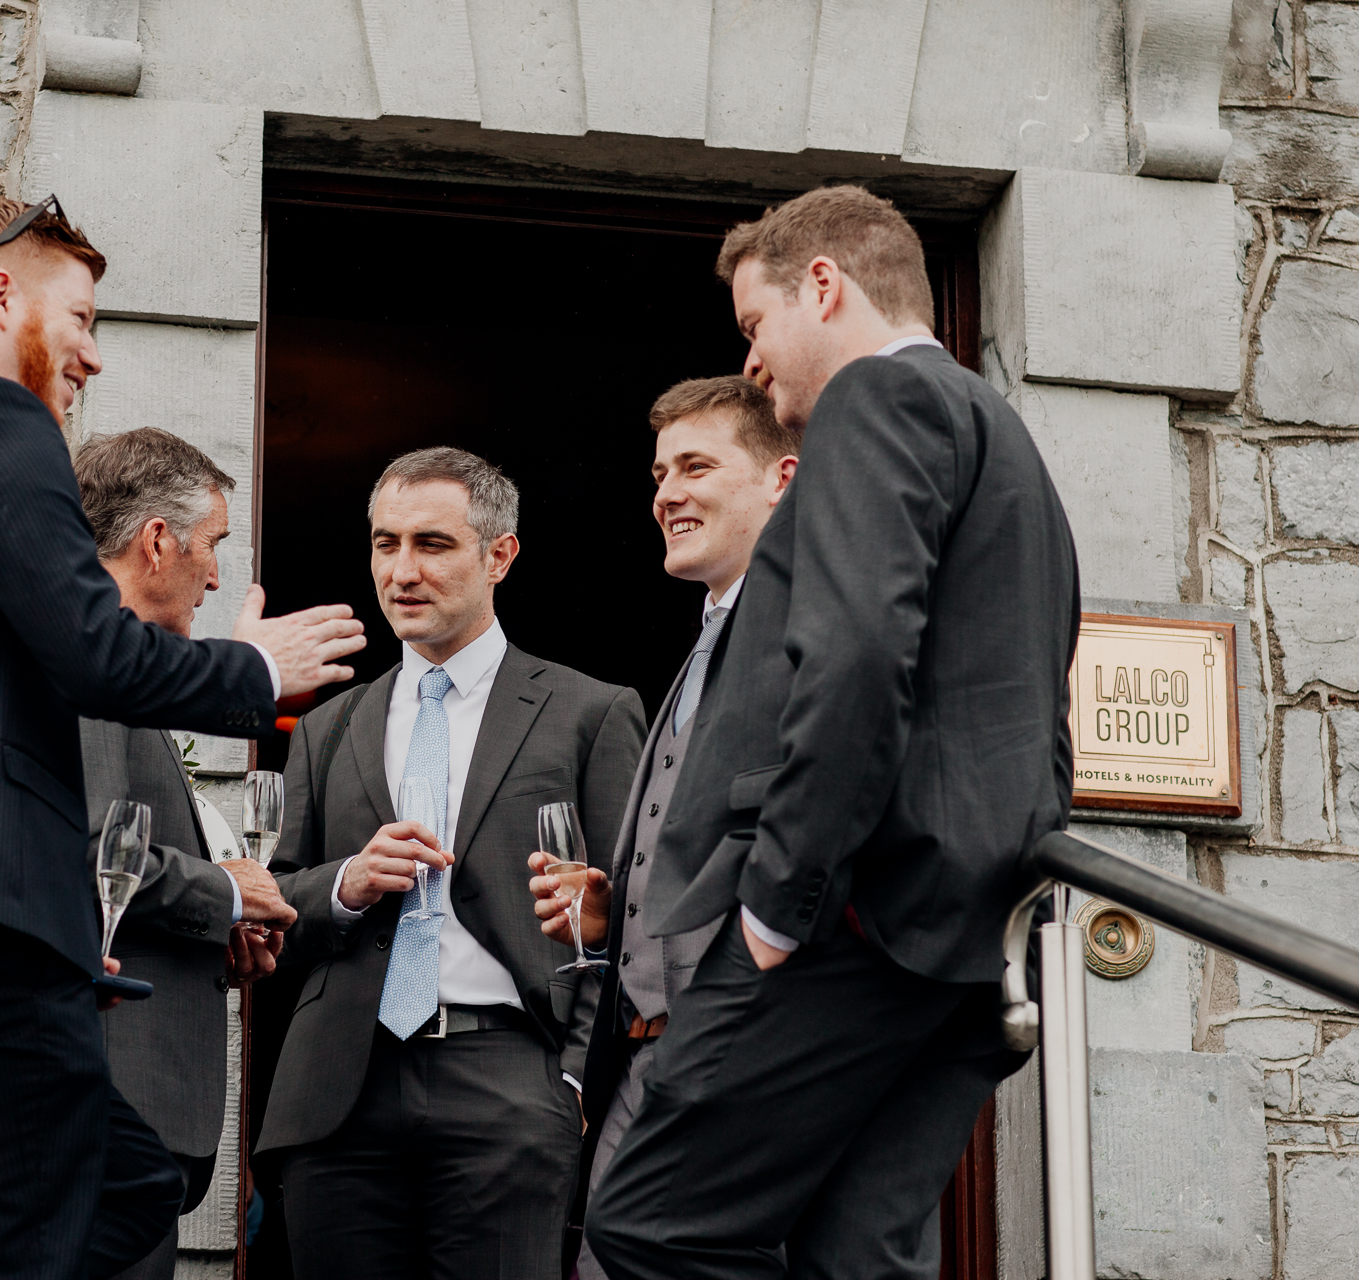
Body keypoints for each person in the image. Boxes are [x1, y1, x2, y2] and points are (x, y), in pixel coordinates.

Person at [0, 193, 365, 1280]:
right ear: (1, 293)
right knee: (34, 1238)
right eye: (83, 317)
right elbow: (92, 651)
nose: (90, 354)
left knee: (123, 1180)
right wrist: (256, 671)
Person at [584, 186, 1080, 1280]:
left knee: (648, 1220)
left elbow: (858, 657)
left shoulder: (879, 399)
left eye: (755, 328)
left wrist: (777, 903)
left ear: (825, 285)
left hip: (847, 922)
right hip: (960, 942)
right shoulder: (1007, 439)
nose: (753, 365)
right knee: (854, 1256)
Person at [255, 446, 646, 1280]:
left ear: (499, 556)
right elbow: (272, 914)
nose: (401, 570)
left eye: (431, 544)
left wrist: (572, 1080)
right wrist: (347, 885)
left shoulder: (589, 712)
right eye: (384, 543)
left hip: (510, 1079)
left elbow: (632, 914)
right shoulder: (327, 727)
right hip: (338, 1097)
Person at [526, 376, 797, 1280]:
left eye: (695, 466)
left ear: (780, 479)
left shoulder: (806, 628)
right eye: (658, 473)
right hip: (649, 1055)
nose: (666, 493)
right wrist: (619, 918)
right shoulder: (706, 639)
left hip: (741, 1050)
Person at [70, 426, 298, 1280]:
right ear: (156, 541)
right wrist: (229, 893)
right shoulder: (90, 661)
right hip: (107, 1100)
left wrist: (216, 926)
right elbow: (92, 849)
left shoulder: (114, 664)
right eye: (212, 548)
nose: (214, 574)